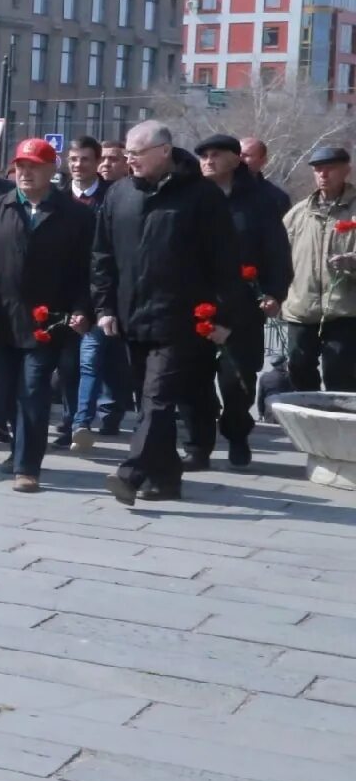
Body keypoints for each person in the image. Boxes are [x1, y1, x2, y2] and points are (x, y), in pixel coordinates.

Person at [91, 121, 244, 506]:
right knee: (148, 402)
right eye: (126, 154)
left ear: (164, 151)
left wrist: (224, 316)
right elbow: (102, 256)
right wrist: (105, 306)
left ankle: (131, 473)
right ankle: (167, 480)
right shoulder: (119, 195)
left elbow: (225, 261)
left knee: (158, 400)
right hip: (131, 316)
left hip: (183, 319)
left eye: (136, 154)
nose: (130, 161)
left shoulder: (201, 196)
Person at [0, 138, 93, 493]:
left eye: (34, 166)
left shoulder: (75, 215)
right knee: (0, 394)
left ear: (52, 170)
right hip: (0, 319)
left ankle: (27, 465)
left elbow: (87, 270)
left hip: (48, 322)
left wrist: (82, 308)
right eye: (20, 166)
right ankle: (18, 448)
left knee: (33, 391)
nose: (25, 173)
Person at [188, 133, 293, 470]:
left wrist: (275, 293)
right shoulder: (190, 198)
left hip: (245, 306)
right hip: (197, 304)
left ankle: (236, 433)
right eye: (203, 155)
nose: (207, 161)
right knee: (195, 380)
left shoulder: (261, 201)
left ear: (236, 159)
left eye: (216, 154)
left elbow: (276, 252)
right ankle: (198, 447)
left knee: (237, 382)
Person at [59, 135, 130, 449]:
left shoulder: (112, 198)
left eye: (85, 159)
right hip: (62, 296)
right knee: (66, 364)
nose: (78, 166)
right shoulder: (57, 198)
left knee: (91, 360)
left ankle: (81, 423)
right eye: (73, 159)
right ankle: (70, 419)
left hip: (99, 294)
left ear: (96, 162)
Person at [280, 141, 356, 391]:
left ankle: (339, 426)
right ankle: (309, 422)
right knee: (299, 368)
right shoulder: (299, 213)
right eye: (317, 169)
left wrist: (352, 261)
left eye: (330, 168)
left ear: (346, 170)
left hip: (344, 310)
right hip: (302, 308)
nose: (323, 174)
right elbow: (277, 256)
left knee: (339, 374)